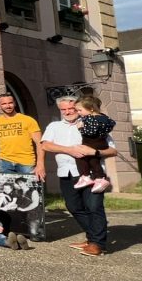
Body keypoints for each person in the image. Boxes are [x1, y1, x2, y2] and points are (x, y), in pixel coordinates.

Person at [38, 96, 118, 257]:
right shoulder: (54, 126)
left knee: (94, 207)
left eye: (71, 108)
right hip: (66, 172)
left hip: (92, 175)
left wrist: (95, 152)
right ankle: (92, 237)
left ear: (78, 108)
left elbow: (113, 150)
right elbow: (45, 144)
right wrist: (69, 150)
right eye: (63, 109)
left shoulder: (93, 122)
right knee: (74, 207)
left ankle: (98, 244)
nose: (68, 112)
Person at [0, 93, 42, 177]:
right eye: (4, 104)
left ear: (14, 103)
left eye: (10, 103)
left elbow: (40, 143)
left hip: (26, 162)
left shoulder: (28, 120)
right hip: (4, 162)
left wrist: (40, 165)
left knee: (28, 189)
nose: (8, 106)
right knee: (7, 190)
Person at [72, 95, 117, 192]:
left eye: (80, 110)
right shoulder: (104, 117)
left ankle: (85, 176)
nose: (78, 113)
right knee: (93, 161)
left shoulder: (90, 118)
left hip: (92, 142)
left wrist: (81, 128)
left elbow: (91, 132)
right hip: (101, 142)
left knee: (79, 156)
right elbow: (112, 123)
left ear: (91, 109)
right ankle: (100, 179)